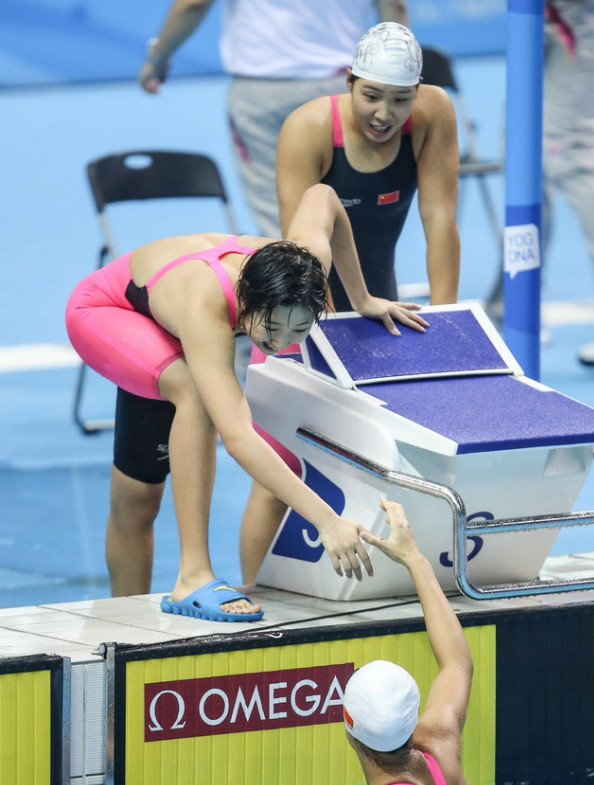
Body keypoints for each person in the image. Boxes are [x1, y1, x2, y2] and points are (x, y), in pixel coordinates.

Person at [66, 184, 428, 622]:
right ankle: (193, 576)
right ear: (248, 300)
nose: (279, 343)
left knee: (137, 496)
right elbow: (237, 435)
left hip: (163, 314)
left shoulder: (305, 263)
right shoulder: (206, 306)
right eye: (271, 328)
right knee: (197, 396)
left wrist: (363, 297)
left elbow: (323, 196)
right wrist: (326, 519)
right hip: (109, 312)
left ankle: (121, 627)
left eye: (297, 331)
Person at [239, 22, 460, 583]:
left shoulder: (433, 114)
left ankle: (393, 578)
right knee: (284, 466)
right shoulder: (309, 127)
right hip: (305, 314)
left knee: (395, 456)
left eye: (400, 99)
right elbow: (300, 251)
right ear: (349, 81)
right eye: (371, 96)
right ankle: (249, 598)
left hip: (376, 308)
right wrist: (322, 332)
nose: (385, 113)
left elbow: (439, 218)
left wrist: (447, 322)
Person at [138, 0, 410, 238]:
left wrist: (158, 57)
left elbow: (193, 4)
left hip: (262, 95)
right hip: (343, 89)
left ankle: (294, 294)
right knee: (354, 209)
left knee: (280, 218)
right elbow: (393, 5)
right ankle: (366, 293)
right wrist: (399, 79)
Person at [342, 497, 479, 785]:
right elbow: (457, 662)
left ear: (349, 731)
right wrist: (413, 557)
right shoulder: (439, 739)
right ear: (412, 718)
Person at [543, 1, 594, 365]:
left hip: (577, 51)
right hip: (546, 53)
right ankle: (508, 315)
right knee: (526, 201)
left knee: (584, 177)